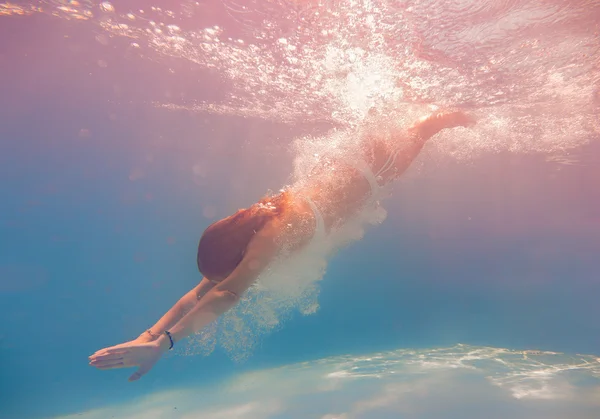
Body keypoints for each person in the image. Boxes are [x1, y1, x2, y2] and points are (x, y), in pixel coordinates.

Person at [89, 109, 474, 381]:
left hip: (370, 174)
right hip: (351, 169)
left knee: (425, 130)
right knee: (406, 127)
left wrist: (166, 344)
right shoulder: (252, 230)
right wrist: (148, 336)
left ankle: (464, 113)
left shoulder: (271, 236)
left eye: (228, 271)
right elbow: (201, 291)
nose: (218, 280)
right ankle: (434, 103)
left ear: (239, 257)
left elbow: (227, 294)